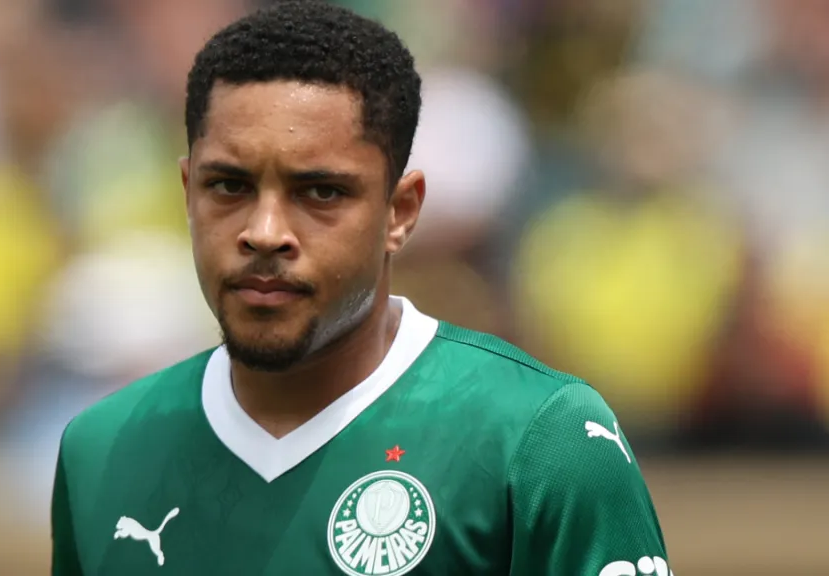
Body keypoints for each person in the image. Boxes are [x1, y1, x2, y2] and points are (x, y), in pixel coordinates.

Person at [50, 2, 671, 575]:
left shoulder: (540, 440)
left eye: (320, 192)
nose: (265, 233)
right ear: (187, 192)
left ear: (400, 212)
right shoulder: (101, 449)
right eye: (229, 187)